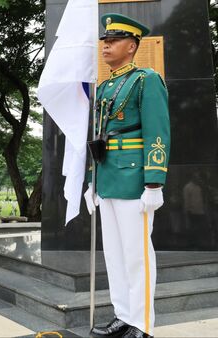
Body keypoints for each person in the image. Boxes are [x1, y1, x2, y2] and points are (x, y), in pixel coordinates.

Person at [84, 14, 170, 338]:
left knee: (137, 256)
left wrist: (154, 182)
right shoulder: (105, 86)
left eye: (114, 40)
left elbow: (157, 131)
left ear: (132, 46)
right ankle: (123, 314)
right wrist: (92, 181)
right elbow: (99, 138)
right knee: (115, 257)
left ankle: (143, 324)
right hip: (107, 180)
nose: (105, 44)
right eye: (105, 39)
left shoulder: (146, 80)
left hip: (135, 180)